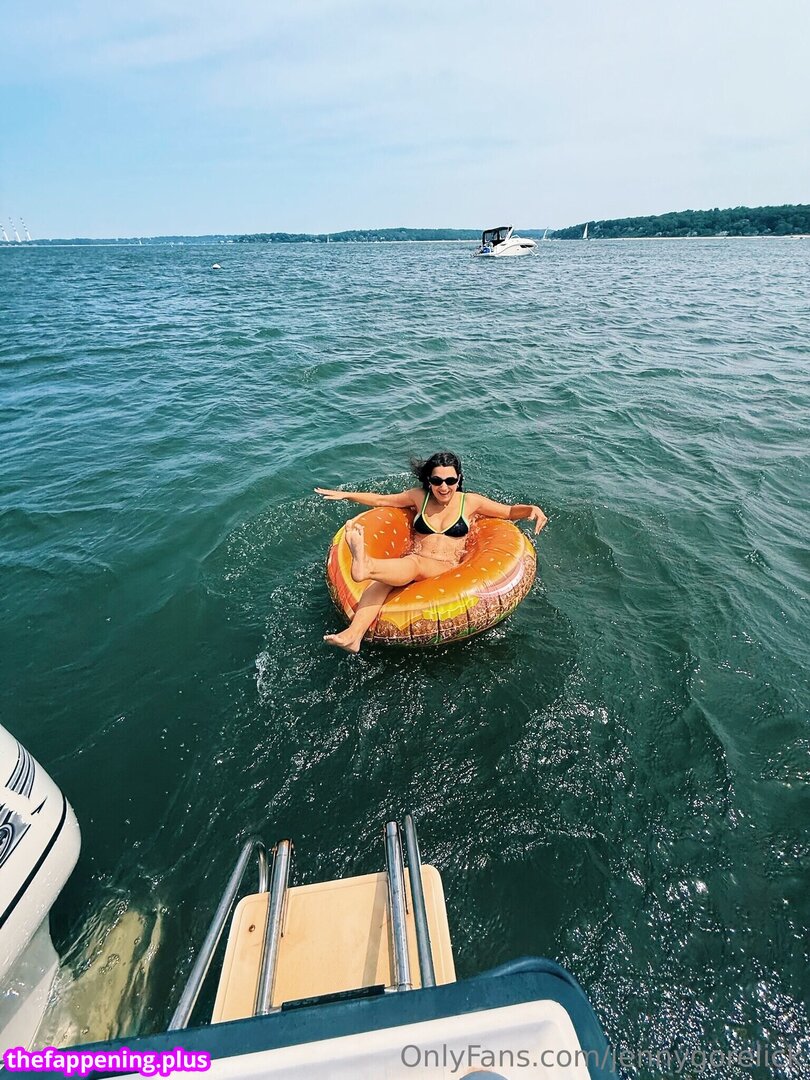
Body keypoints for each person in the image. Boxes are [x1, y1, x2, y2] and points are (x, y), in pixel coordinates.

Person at [316, 452, 547, 653]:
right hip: (416, 559)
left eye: (450, 480)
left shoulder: (470, 502)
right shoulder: (419, 497)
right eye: (437, 480)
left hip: (446, 567)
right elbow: (381, 499)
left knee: (413, 563)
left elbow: (508, 512)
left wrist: (532, 509)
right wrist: (347, 495)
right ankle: (353, 635)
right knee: (380, 583)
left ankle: (366, 565)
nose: (443, 487)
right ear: (429, 480)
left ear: (459, 479)